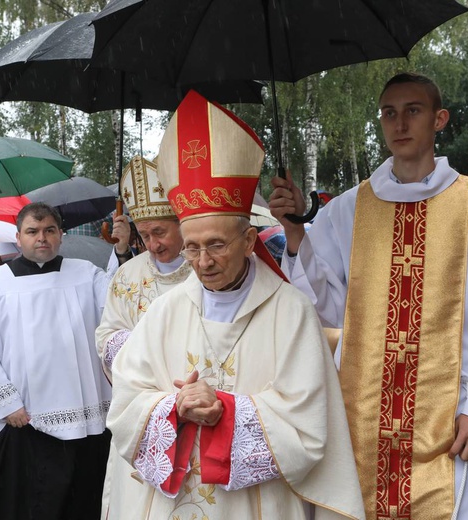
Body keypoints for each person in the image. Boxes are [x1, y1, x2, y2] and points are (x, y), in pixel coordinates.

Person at [269, 72, 468, 520]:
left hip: (449, 416)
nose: (400, 123)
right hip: (362, 417)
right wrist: (296, 230)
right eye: (389, 113)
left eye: (413, 110)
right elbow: (327, 307)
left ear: (439, 119)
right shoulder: (348, 209)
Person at [106, 90, 365, 519]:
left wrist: (226, 410)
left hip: (257, 505)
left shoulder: (291, 311)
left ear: (248, 241)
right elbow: (126, 406)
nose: (202, 262)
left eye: (216, 245)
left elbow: (310, 429)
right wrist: (175, 408)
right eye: (191, 249)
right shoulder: (167, 312)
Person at [0, 202, 125, 520]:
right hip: (25, 420)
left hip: (86, 421)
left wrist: (121, 253)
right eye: (33, 231)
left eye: (49, 230)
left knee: (83, 503)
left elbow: (121, 308)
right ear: (18, 237)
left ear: (60, 235)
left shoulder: (87, 274)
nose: (42, 237)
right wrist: (6, 404)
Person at [95, 155, 192, 519]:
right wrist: (137, 346)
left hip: (193, 402)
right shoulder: (127, 276)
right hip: (144, 412)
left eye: (160, 232)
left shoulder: (207, 270)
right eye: (144, 234)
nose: (151, 243)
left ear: (181, 222)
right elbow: (106, 335)